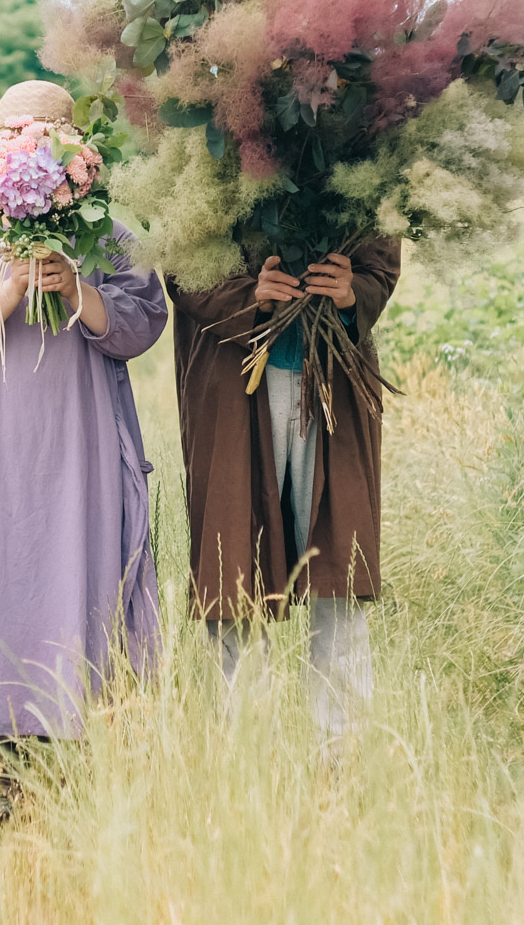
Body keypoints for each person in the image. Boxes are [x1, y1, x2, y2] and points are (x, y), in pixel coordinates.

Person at [0, 80, 169, 741]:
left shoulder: (107, 235)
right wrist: (9, 291)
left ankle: (80, 725)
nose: (26, 152)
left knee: (80, 564)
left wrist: (77, 290)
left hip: (80, 441)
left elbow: (145, 321)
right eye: (12, 139)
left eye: (41, 140)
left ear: (76, 158)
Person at [167, 241, 402, 741]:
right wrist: (247, 295)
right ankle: (248, 753)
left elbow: (382, 256)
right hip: (232, 378)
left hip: (335, 375)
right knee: (235, 568)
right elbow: (178, 257)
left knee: (339, 569)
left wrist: (351, 291)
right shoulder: (193, 190)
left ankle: (340, 752)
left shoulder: (362, 183)